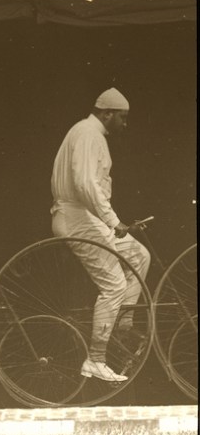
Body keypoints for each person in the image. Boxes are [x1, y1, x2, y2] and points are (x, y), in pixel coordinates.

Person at [50, 87, 151, 382]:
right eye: (122, 117)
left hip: (89, 218)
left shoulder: (92, 135)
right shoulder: (87, 133)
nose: (125, 123)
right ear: (107, 113)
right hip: (77, 218)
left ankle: (121, 324)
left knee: (139, 256)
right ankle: (95, 358)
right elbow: (85, 184)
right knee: (114, 285)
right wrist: (112, 219)